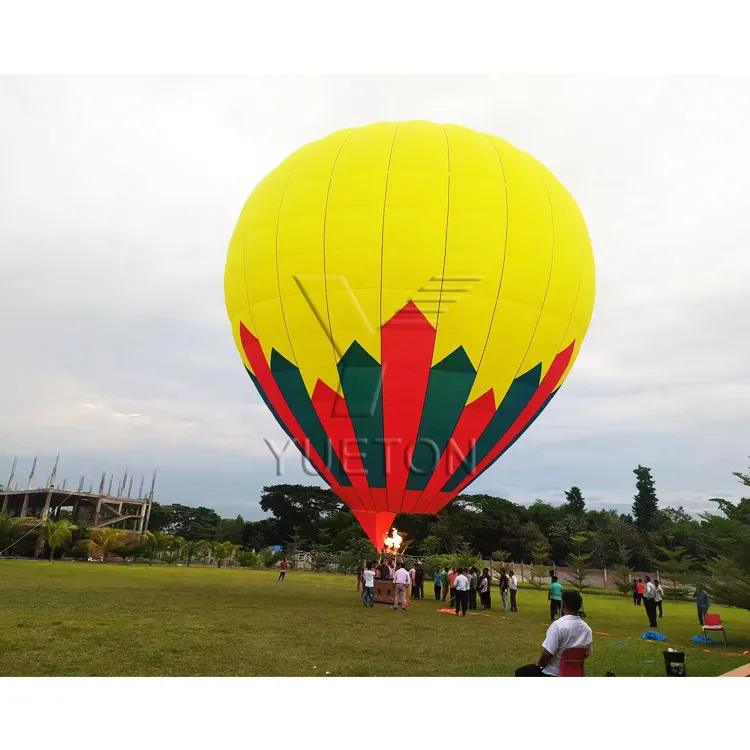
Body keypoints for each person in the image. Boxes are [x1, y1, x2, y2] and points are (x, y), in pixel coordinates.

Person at [515, 590, 592, 676]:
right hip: (574, 673)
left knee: (520, 672)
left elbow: (547, 654)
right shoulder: (587, 629)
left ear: (563, 604)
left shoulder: (558, 626)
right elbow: (585, 653)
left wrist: (540, 664)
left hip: (553, 673)